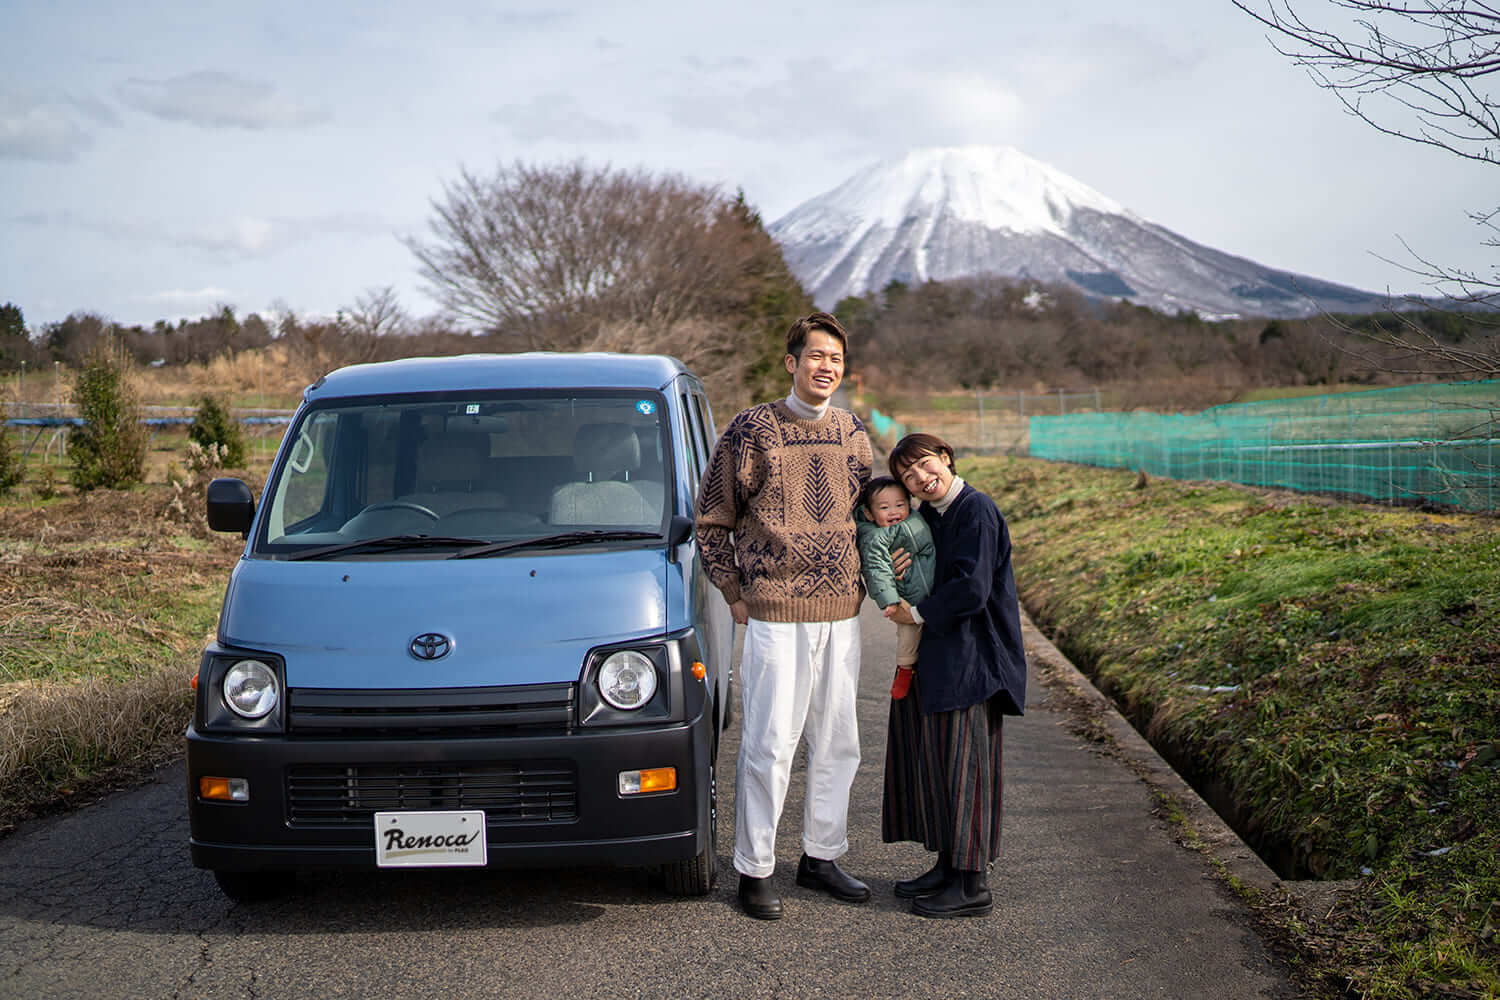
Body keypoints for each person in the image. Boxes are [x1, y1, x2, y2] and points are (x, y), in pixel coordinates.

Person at [695, 311, 874, 921]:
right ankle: (755, 868)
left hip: (841, 615)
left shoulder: (853, 432)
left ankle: (820, 857)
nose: (827, 367)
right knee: (770, 743)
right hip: (774, 614)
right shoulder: (752, 430)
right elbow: (711, 520)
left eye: (837, 359)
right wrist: (733, 591)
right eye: (816, 356)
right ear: (792, 362)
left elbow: (867, 514)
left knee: (837, 740)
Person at [880, 432, 1027, 918]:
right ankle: (948, 866)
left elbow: (972, 588)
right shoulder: (933, 516)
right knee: (942, 766)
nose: (921, 478)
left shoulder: (976, 510)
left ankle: (972, 884)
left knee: (968, 771)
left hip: (974, 658)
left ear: (945, 458)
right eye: (908, 476)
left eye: (925, 465)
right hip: (946, 657)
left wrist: (916, 613)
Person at [855, 476, 936, 700]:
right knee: (909, 634)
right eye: (884, 507)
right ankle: (905, 669)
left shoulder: (916, 518)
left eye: (900, 505)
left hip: (935, 589)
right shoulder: (875, 538)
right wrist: (890, 600)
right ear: (870, 514)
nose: (894, 512)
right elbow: (876, 569)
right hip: (909, 597)